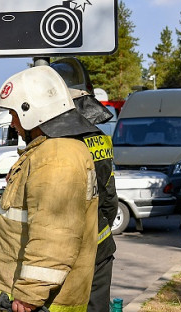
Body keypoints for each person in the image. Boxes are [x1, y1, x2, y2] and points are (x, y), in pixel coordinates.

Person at [0, 66, 99, 312]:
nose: (13, 123)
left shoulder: (56, 157)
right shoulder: (51, 151)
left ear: (30, 111)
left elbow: (55, 233)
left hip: (38, 303)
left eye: (14, 113)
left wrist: (29, 294)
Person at [50, 57, 119, 312]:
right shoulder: (99, 139)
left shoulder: (53, 144)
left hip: (64, 254)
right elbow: (109, 200)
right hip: (100, 248)